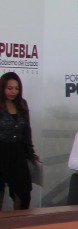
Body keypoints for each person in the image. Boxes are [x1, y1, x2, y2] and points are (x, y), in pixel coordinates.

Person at [1, 72, 39, 209]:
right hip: (1, 152)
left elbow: (26, 132)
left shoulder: (22, 104)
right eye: (9, 88)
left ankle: (19, 221)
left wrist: (31, 153)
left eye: (16, 88)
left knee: (24, 194)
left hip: (18, 153)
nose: (13, 92)